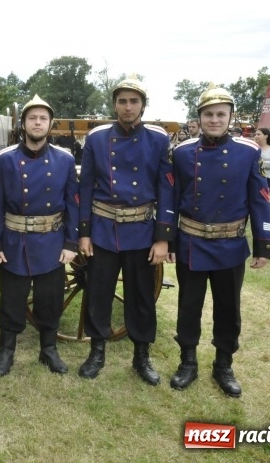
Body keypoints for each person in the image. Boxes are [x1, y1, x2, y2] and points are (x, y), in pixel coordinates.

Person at [169, 84, 270, 398]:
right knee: (189, 306)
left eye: (220, 114)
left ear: (230, 117)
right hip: (191, 243)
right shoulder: (183, 153)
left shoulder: (248, 151)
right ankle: (188, 361)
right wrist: (170, 242)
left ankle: (223, 364)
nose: (214, 120)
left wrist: (263, 244)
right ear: (199, 118)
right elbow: (172, 199)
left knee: (229, 308)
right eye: (208, 114)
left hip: (230, 245)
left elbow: (261, 200)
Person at [77, 76, 174, 386]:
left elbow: (167, 189)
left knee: (142, 296)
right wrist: (84, 232)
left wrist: (162, 237)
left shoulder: (158, 140)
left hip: (142, 231)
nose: (128, 106)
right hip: (104, 229)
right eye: (122, 101)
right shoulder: (96, 138)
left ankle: (141, 356)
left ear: (143, 105)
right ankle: (97, 352)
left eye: (134, 101)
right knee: (98, 292)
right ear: (114, 104)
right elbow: (85, 187)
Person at [0, 95, 79, 376]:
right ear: (23, 124)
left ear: (50, 124)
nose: (37, 123)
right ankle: (6, 351)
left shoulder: (64, 159)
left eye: (43, 118)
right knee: (11, 300)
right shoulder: (4, 160)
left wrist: (71, 242)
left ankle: (48, 350)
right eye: (32, 118)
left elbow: (72, 203)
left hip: (51, 243)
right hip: (15, 242)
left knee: (49, 300)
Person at [253, 127, 270, 192]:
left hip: (267, 179)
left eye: (258, 134)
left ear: (266, 136)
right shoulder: (252, 149)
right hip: (253, 178)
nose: (256, 136)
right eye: (255, 134)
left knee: (264, 201)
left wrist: (258, 163)